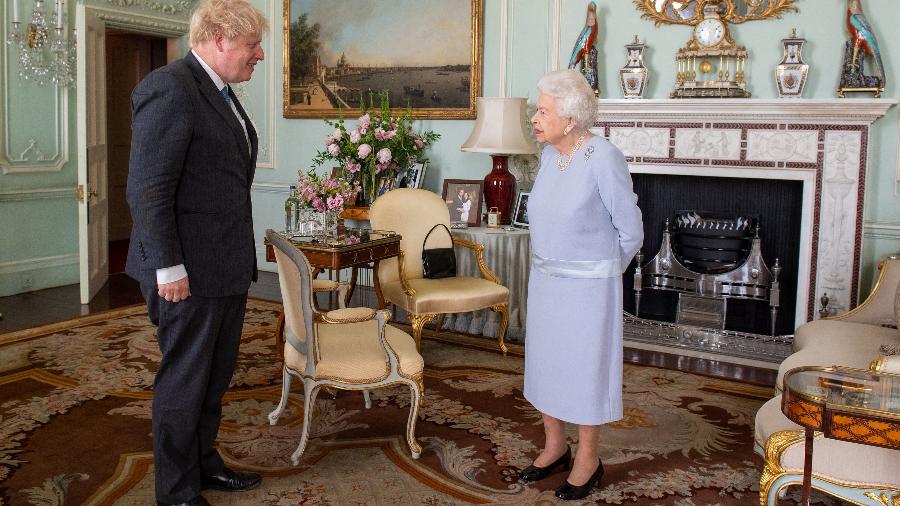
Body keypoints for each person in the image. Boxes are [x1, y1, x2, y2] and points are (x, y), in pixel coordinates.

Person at [125, 0, 268, 504]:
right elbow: (148, 191)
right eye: (252, 45)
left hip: (223, 268)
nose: (260, 55)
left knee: (213, 379)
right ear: (220, 38)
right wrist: (168, 267)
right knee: (184, 383)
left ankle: (204, 464)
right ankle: (177, 490)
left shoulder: (219, 92)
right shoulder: (170, 88)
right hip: (185, 271)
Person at [519, 68, 643, 501]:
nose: (534, 118)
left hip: (589, 289)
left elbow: (630, 231)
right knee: (546, 364)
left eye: (543, 111)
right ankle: (555, 445)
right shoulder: (551, 155)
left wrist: (602, 271)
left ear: (570, 119)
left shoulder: (603, 157)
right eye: (537, 109)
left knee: (585, 371)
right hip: (547, 282)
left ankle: (588, 457)